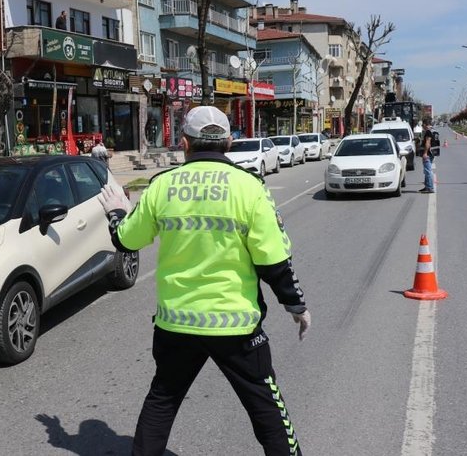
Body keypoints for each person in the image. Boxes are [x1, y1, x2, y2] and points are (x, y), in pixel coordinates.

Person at [97, 106, 310, 456]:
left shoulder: (162, 185)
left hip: (176, 324)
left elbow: (125, 240)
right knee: (267, 411)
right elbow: (273, 259)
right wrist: (296, 303)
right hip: (236, 327)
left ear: (185, 143)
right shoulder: (249, 186)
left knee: (162, 401)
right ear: (229, 141)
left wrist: (117, 211)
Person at [419, 120, 435, 193]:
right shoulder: (431, 130)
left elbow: (428, 143)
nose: (422, 126)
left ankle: (430, 187)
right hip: (430, 153)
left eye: (423, 125)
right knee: (426, 171)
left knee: (428, 171)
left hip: (428, 154)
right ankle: (427, 186)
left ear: (425, 124)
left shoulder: (428, 132)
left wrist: (425, 153)